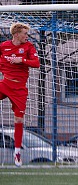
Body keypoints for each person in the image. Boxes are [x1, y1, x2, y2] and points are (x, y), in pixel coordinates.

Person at [0, 23, 40, 167]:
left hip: (19, 89)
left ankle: (17, 152)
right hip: (5, 84)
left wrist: (21, 60)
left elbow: (36, 63)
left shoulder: (29, 47)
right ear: (16, 34)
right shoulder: (3, 46)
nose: (26, 36)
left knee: (18, 119)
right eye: (24, 33)